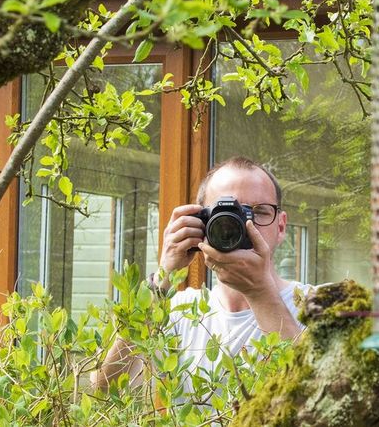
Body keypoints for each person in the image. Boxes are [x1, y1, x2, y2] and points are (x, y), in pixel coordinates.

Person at [91, 157, 312, 392]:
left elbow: (316, 393)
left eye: (259, 211)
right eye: (225, 213)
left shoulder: (319, 305)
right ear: (200, 223)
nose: (244, 225)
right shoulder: (179, 312)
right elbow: (104, 388)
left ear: (281, 226)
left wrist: (259, 291)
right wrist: (162, 279)